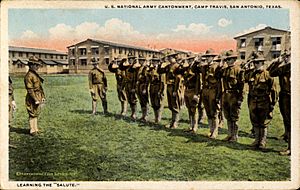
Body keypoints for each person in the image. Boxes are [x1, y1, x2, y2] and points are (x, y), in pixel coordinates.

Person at [244, 52, 278, 149]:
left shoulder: (267, 74)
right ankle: (256, 140)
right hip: (253, 101)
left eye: (258, 62)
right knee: (255, 121)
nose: (256, 65)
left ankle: (262, 141)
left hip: (264, 101)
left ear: (262, 63)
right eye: (255, 62)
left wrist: (272, 103)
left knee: (263, 123)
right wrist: (247, 64)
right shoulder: (250, 73)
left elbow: (274, 90)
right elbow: (243, 76)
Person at [194, 49, 222, 139]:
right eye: (207, 57)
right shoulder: (204, 67)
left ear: (213, 57)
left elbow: (219, 82)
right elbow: (194, 69)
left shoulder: (217, 67)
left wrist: (218, 96)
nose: (208, 58)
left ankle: (215, 131)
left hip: (213, 90)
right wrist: (197, 61)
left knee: (214, 112)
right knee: (208, 112)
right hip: (205, 91)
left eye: (210, 57)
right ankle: (211, 130)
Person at [267, 49, 291, 155]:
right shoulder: (284, 67)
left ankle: (291, 148)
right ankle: (288, 137)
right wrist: (277, 61)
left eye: (288, 56)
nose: (286, 58)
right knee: (287, 120)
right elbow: (270, 73)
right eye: (285, 56)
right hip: (285, 96)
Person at [220, 51, 245, 142]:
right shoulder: (225, 70)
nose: (227, 61)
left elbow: (242, 86)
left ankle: (235, 136)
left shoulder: (238, 70)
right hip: (226, 95)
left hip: (234, 95)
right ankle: (229, 134)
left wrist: (240, 98)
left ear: (234, 59)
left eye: (229, 59)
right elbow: (219, 74)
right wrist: (222, 63)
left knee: (234, 117)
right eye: (226, 60)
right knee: (228, 116)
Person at [158, 51, 184, 129]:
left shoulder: (177, 66)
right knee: (171, 105)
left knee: (175, 104)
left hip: (174, 86)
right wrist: (160, 63)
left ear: (174, 58)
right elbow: (159, 71)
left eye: (170, 57)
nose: (169, 59)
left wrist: (175, 90)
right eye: (168, 57)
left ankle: (175, 122)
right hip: (169, 86)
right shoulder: (168, 66)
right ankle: (173, 121)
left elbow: (178, 79)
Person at [24, 56, 45, 136]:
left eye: (38, 65)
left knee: (36, 113)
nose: (37, 67)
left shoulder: (35, 75)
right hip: (32, 97)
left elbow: (40, 87)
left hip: (38, 95)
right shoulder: (28, 76)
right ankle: (32, 130)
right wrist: (35, 99)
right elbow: (30, 89)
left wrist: (42, 97)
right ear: (31, 65)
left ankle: (36, 128)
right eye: (36, 65)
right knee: (32, 113)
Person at [180, 54, 201, 133]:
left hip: (193, 90)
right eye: (188, 59)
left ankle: (195, 127)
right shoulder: (187, 68)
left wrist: (196, 94)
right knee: (189, 109)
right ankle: (191, 126)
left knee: (194, 109)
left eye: (191, 59)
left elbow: (198, 82)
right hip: (187, 90)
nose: (189, 61)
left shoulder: (196, 68)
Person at [120, 52, 138, 120]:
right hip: (127, 85)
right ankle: (132, 113)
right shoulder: (127, 67)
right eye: (129, 59)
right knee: (129, 100)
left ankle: (134, 114)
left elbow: (136, 79)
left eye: (132, 59)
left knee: (133, 100)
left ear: (134, 60)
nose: (130, 60)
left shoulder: (136, 67)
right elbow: (121, 67)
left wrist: (134, 87)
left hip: (133, 85)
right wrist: (122, 61)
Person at [148, 55, 165, 124]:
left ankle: (158, 118)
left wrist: (160, 90)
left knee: (158, 103)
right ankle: (155, 118)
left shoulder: (160, 69)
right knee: (153, 103)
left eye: (156, 61)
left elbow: (162, 81)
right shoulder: (151, 69)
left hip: (158, 86)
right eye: (153, 61)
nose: (154, 62)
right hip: (152, 87)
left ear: (158, 62)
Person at [136, 54, 150, 122]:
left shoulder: (146, 68)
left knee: (145, 101)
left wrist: (145, 88)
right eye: (140, 60)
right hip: (139, 85)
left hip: (143, 85)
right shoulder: (139, 68)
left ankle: (146, 116)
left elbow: (147, 79)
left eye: (142, 60)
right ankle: (143, 115)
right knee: (141, 101)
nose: (141, 61)